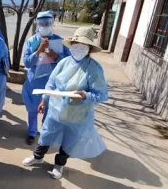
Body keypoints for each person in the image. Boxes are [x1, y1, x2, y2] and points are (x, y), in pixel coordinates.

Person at [22, 27, 108, 180]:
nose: (78, 49)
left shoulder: (94, 69)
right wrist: (44, 99)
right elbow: (51, 83)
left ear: (89, 49)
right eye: (75, 45)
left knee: (70, 139)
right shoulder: (64, 62)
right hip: (56, 110)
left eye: (83, 46)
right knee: (47, 133)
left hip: (77, 115)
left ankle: (59, 164)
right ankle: (38, 156)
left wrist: (84, 95)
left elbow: (101, 95)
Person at [22, 10, 70, 145]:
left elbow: (69, 61)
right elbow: (26, 62)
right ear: (37, 24)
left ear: (52, 23)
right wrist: (38, 51)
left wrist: (56, 56)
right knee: (32, 108)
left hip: (52, 82)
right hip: (34, 82)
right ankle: (32, 132)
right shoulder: (32, 41)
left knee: (49, 110)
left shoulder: (59, 41)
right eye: (41, 23)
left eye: (47, 23)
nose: (44, 26)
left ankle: (46, 133)